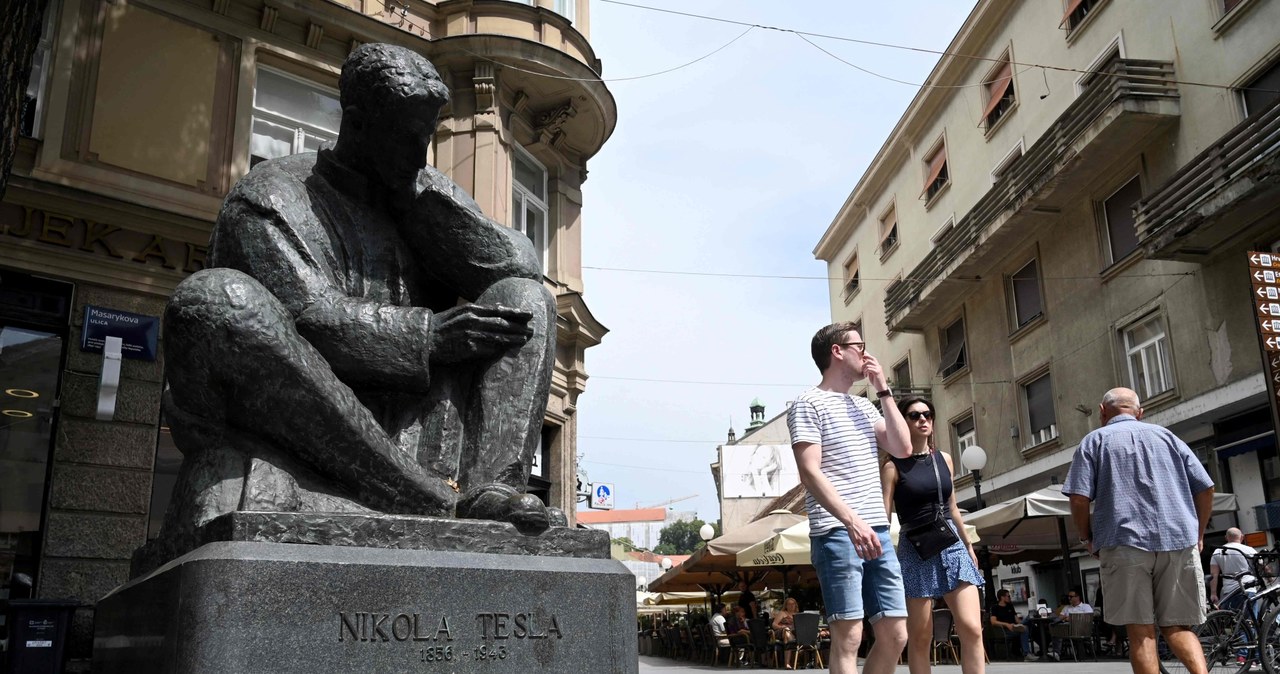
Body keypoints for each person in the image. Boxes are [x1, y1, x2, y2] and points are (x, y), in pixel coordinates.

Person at [160, 43, 559, 537]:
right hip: (311, 418)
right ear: (358, 123)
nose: (420, 153)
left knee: (526, 301)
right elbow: (305, 319)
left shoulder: (420, 189)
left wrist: (428, 212)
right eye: (406, 136)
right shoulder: (270, 196)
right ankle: (423, 497)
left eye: (427, 136)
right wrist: (428, 337)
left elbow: (520, 267)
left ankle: (492, 490)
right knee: (216, 300)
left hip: (420, 418)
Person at [788, 321, 913, 674]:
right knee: (849, 635)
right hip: (838, 530)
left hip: (876, 529)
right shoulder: (808, 403)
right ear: (837, 352)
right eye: (860, 345)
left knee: (895, 633)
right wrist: (851, 521)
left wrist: (884, 389)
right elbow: (809, 472)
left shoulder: (865, 406)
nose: (867, 353)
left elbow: (903, 448)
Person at [1063, 387, 1214, 674]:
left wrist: (1086, 537)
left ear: (1102, 411)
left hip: (1124, 542)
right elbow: (1206, 487)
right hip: (1178, 539)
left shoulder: (1094, 441)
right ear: (1140, 412)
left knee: (1141, 632)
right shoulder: (1168, 437)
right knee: (1178, 626)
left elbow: (1079, 498)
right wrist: (1199, 533)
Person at [881, 396, 985, 674]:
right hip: (915, 549)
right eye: (914, 416)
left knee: (973, 628)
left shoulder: (945, 459)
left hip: (951, 544)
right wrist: (884, 557)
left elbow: (952, 507)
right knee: (921, 637)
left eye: (927, 414)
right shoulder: (893, 467)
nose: (922, 419)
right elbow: (884, 516)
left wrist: (968, 544)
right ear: (902, 423)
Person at [1209, 527, 1257, 611]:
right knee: (1249, 621)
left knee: (1233, 621)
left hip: (1229, 592)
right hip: (1248, 589)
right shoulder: (1249, 550)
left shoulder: (1218, 551)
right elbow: (1262, 567)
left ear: (1226, 538)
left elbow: (1214, 575)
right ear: (1242, 537)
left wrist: (1213, 593)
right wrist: (1270, 578)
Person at [1046, 588, 1094, 661]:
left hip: (1081, 630)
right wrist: (1066, 618)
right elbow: (1060, 617)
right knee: (1055, 623)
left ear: (1077, 597)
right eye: (1068, 596)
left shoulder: (1086, 606)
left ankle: (1056, 652)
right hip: (1067, 628)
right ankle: (1056, 652)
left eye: (1071, 597)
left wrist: (1070, 618)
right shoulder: (1066, 607)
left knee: (1057, 629)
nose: (1069, 598)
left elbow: (1088, 619)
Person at [989, 589, 1032, 661]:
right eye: (1008, 596)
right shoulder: (995, 608)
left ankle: (1030, 618)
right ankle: (1026, 653)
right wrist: (1006, 624)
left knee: (1028, 623)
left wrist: (1020, 623)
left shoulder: (1010, 606)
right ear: (1002, 597)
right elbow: (993, 622)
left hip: (1014, 627)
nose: (1010, 598)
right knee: (1025, 630)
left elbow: (1017, 620)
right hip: (1004, 630)